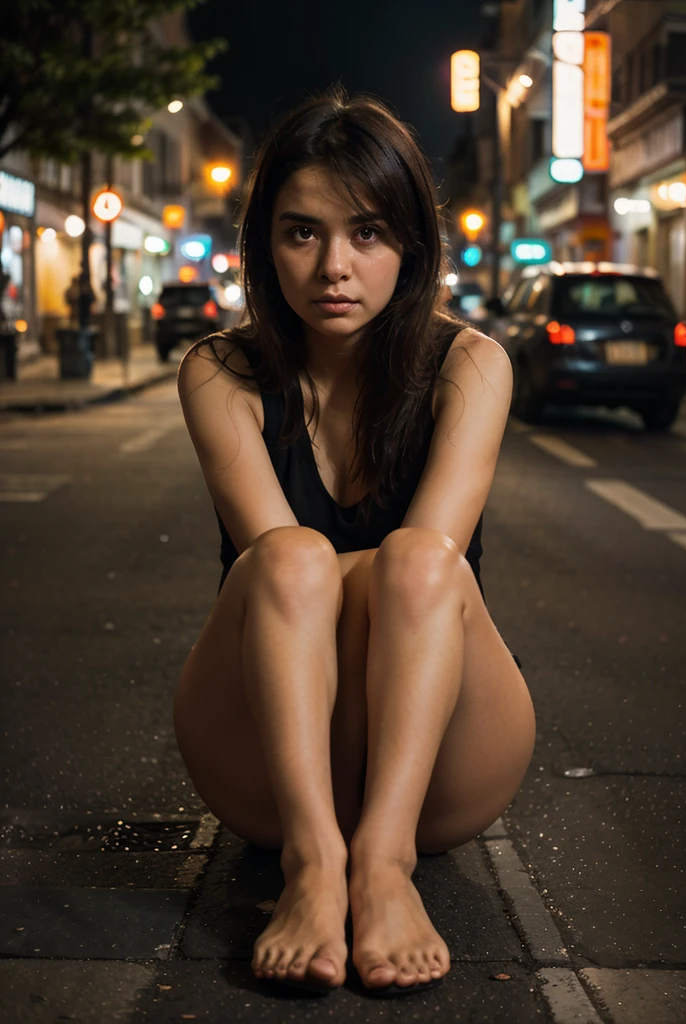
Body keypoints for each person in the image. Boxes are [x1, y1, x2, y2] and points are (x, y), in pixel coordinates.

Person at [174, 85, 536, 998]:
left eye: (367, 233)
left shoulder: (471, 364)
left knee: (419, 558)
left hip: (441, 766)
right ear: (265, 246)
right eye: (302, 233)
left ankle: (381, 863)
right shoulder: (223, 371)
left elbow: (428, 569)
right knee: (288, 556)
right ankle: (311, 862)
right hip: (269, 764)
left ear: (410, 245)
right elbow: (284, 573)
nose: (335, 266)